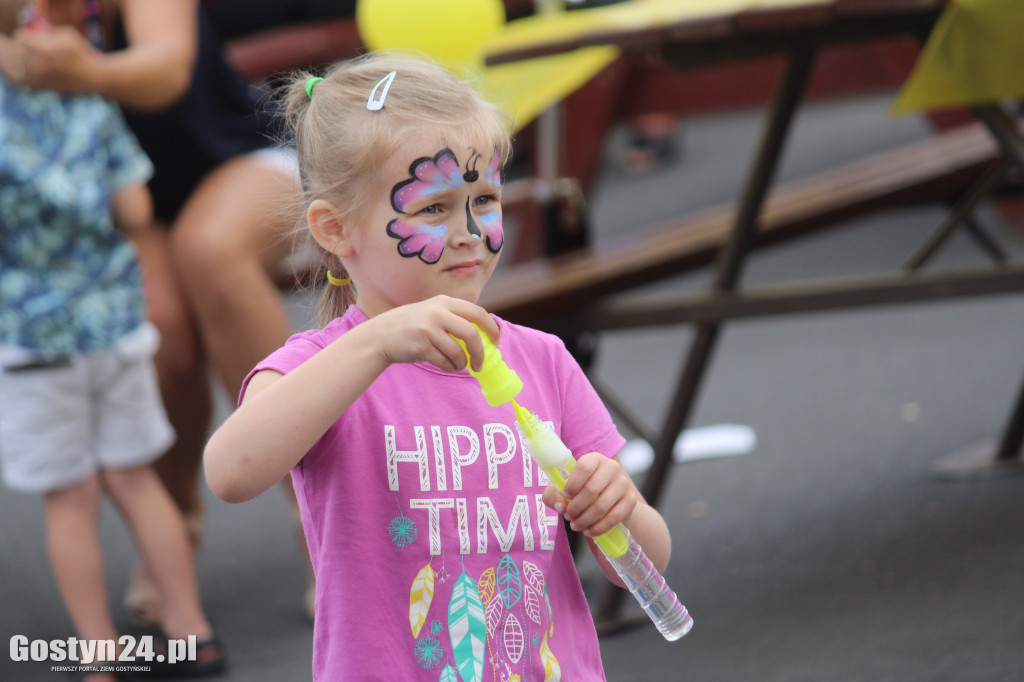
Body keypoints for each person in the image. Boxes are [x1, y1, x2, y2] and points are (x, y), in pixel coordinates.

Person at [203, 53, 674, 680]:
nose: (469, 231)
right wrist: (374, 346)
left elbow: (640, 562)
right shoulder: (322, 368)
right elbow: (231, 472)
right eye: (434, 208)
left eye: (485, 198)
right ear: (336, 229)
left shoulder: (543, 359)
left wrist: (621, 509)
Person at [0, 0, 316, 622]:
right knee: (158, 325)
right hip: (132, 207)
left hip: (241, 159)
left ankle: (312, 511)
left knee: (210, 250)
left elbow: (165, 71)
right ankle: (175, 523)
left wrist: (80, 70)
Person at [0, 1, 225, 679]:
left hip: (35, 341)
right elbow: (134, 208)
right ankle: (192, 627)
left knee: (71, 502)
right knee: (136, 479)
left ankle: (98, 656)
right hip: (116, 326)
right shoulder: (91, 105)